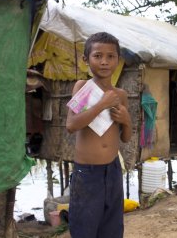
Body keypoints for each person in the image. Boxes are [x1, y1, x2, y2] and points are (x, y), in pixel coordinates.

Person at [66, 32, 132, 238]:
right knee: (84, 228)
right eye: (98, 56)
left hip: (112, 171)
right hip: (87, 174)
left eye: (110, 56)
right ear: (86, 60)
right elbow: (71, 125)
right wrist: (101, 104)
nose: (104, 62)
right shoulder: (82, 88)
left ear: (117, 60)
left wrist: (126, 120)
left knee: (111, 228)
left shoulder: (120, 95)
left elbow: (126, 138)